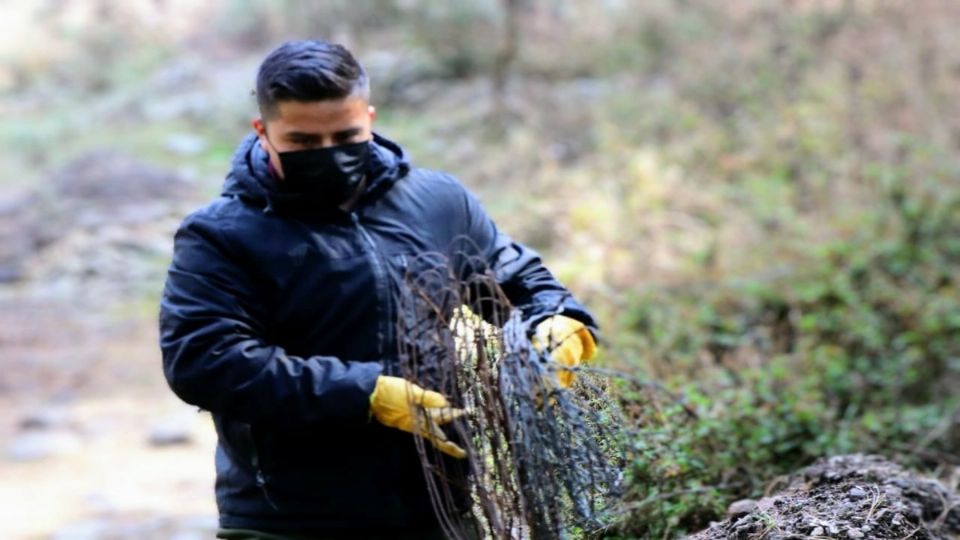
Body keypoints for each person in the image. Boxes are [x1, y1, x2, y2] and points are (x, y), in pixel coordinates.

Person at [159, 39, 598, 540]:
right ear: (263, 131)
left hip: (441, 509)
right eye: (303, 142)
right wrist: (366, 393)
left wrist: (559, 321)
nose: (329, 154)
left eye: (346, 135)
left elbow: (520, 281)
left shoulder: (438, 202)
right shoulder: (221, 234)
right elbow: (204, 360)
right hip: (291, 521)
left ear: (369, 117)